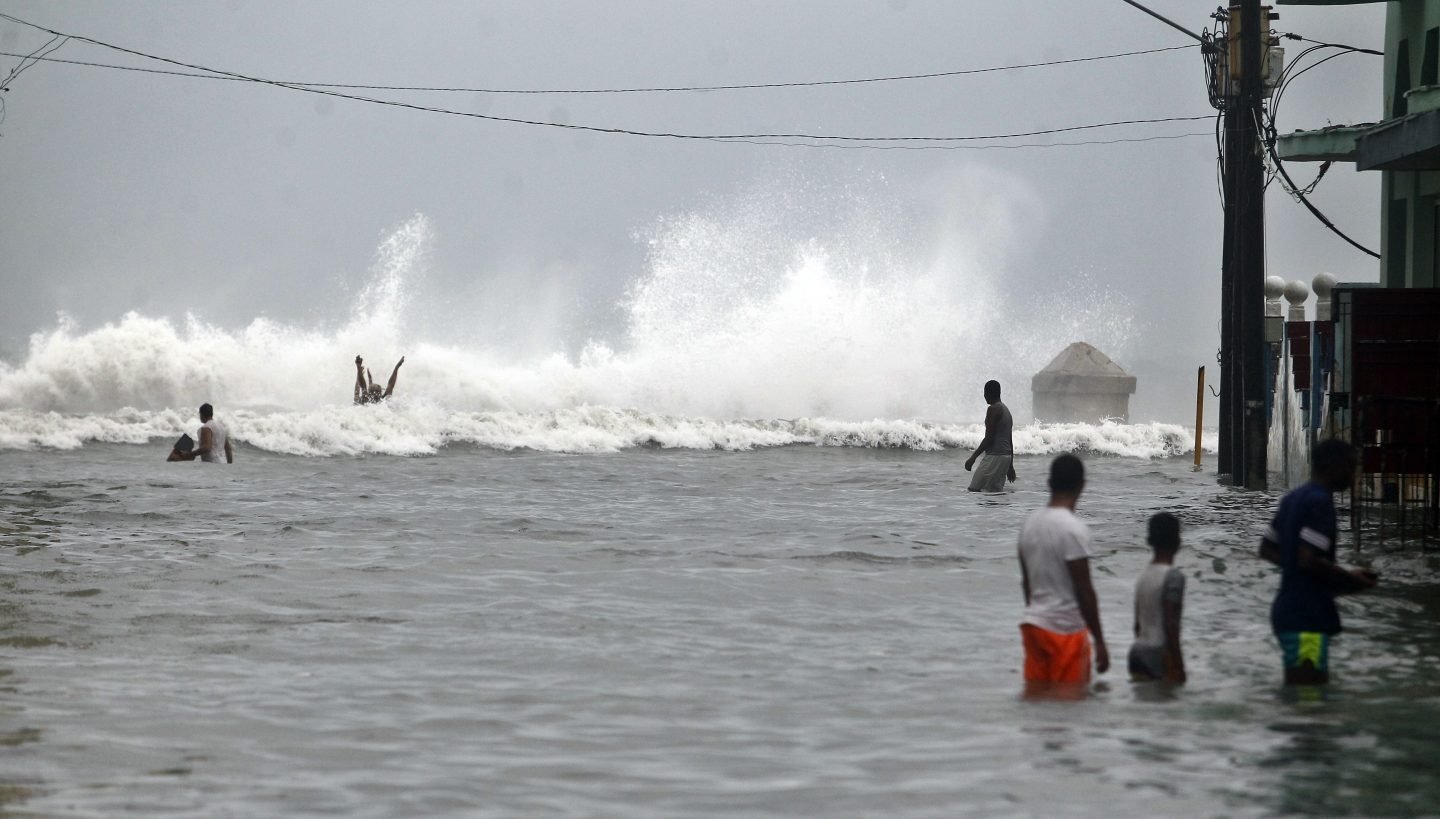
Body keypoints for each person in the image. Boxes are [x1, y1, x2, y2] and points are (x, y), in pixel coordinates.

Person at [1259, 439, 1378, 686]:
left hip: (1287, 610)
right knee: (1308, 698)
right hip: (1306, 618)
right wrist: (1350, 579)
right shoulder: (1321, 502)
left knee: (1305, 693)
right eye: (1350, 466)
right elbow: (1308, 559)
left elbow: (1268, 549)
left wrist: (1299, 569)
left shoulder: (1293, 498)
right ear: (1332, 466)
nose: (1353, 474)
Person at [1017, 453, 1109, 689]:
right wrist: (1099, 640)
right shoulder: (1073, 529)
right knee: (1070, 705)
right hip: (1065, 633)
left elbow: (1027, 583)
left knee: (1038, 699)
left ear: (1049, 483)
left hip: (1034, 627)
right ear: (1082, 486)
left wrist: (1036, 611)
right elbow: (1084, 589)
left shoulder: (1029, 525)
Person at [1128, 513, 1186, 684]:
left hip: (1137, 652)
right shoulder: (1174, 577)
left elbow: (1137, 626)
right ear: (1177, 542)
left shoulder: (1143, 575)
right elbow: (1170, 623)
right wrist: (1178, 664)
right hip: (1158, 653)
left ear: (1149, 540)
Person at [965, 379, 1016, 492]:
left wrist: (973, 458)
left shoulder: (993, 409)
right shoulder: (1006, 411)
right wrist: (1010, 466)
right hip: (1005, 458)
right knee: (993, 494)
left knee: (974, 489)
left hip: (995, 456)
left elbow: (989, 438)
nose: (984, 396)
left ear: (988, 393)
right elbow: (1009, 440)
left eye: (984, 393)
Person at [168, 403, 234, 464]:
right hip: (223, 462)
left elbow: (207, 447)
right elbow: (228, 449)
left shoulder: (206, 427)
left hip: (212, 463)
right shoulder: (221, 427)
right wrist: (229, 465)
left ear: (201, 414)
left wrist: (190, 454)